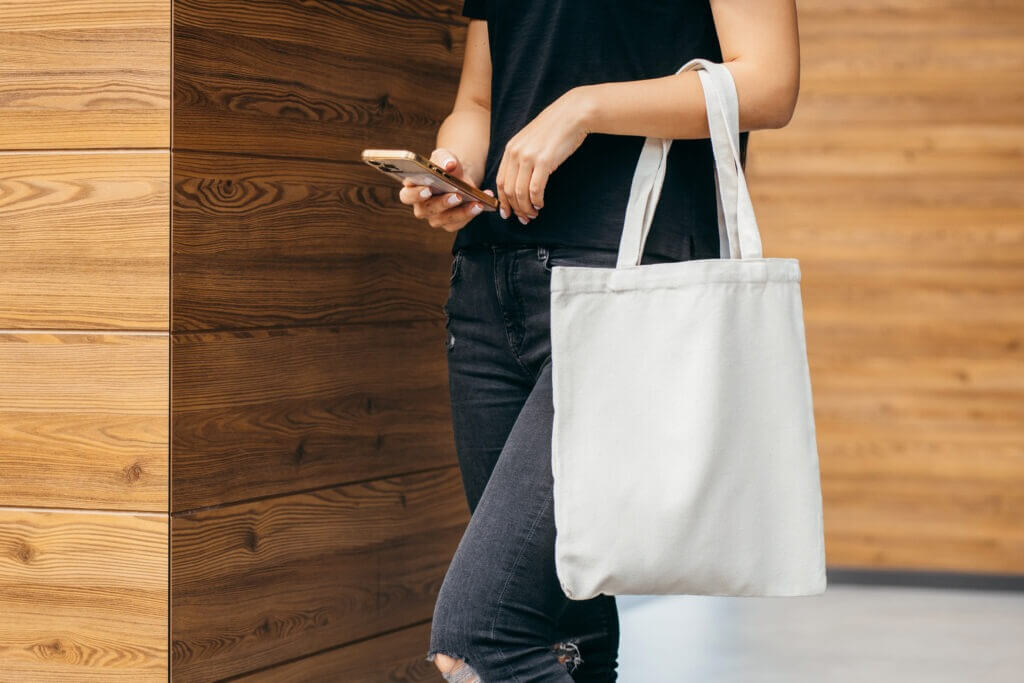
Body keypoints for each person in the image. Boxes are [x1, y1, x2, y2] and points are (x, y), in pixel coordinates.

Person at [399, 1, 800, 680]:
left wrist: (582, 108)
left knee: (481, 634)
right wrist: (455, 165)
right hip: (488, 287)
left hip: (628, 281)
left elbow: (768, 81)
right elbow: (478, 97)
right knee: (566, 631)